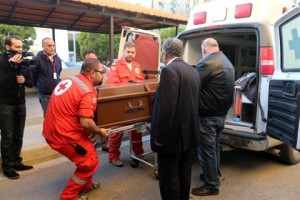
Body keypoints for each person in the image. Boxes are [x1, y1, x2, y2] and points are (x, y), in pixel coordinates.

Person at [42, 58, 109, 200]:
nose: (103, 75)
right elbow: (85, 122)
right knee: (90, 162)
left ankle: (86, 185)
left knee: (89, 153)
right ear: (92, 73)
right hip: (63, 134)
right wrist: (99, 131)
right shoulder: (88, 91)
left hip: (54, 129)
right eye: (101, 73)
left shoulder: (71, 79)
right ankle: (68, 196)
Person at [150, 38, 200, 200]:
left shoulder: (169, 71)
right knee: (184, 174)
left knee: (169, 179)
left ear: (166, 53)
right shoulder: (192, 70)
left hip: (172, 138)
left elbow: (166, 109)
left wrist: (160, 138)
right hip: (189, 135)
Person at [191, 38, 235, 196]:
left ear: (204, 49)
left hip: (207, 116)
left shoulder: (207, 63)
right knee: (214, 147)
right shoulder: (227, 61)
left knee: (206, 150)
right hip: (221, 115)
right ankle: (214, 175)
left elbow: (193, 83)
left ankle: (211, 185)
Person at [0, 35, 34, 179]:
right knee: (7, 137)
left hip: (21, 103)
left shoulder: (24, 63)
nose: (20, 50)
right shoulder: (1, 62)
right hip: (5, 104)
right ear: (8, 47)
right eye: (17, 47)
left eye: (21, 47)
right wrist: (11, 67)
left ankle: (16, 161)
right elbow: (2, 84)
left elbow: (31, 83)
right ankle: (7, 167)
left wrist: (24, 80)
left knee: (18, 136)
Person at [107, 41, 145, 167]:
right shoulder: (115, 66)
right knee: (117, 132)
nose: (130, 54)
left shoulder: (137, 65)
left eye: (132, 52)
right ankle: (113, 156)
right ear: (123, 52)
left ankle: (138, 153)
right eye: (128, 51)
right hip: (121, 105)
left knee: (137, 130)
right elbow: (113, 85)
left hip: (135, 105)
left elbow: (141, 83)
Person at [83, 48, 109, 153]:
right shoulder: (84, 72)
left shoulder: (106, 70)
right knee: (91, 126)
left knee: (104, 123)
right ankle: (91, 147)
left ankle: (105, 144)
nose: (91, 62)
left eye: (93, 59)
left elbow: (108, 84)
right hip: (90, 101)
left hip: (103, 101)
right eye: (88, 60)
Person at [31, 37, 62, 117]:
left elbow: (59, 72)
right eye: (49, 45)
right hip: (45, 95)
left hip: (57, 93)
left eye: (53, 45)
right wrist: (40, 86)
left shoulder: (57, 59)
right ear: (43, 46)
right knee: (49, 117)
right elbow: (31, 76)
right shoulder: (35, 59)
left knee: (58, 116)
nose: (52, 48)